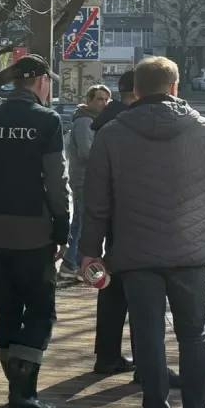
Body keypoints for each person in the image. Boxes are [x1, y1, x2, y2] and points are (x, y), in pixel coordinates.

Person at [79, 57, 205, 408]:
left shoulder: (112, 134)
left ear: (136, 91)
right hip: (191, 255)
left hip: (135, 254)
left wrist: (90, 252)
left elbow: (96, 202)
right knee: (194, 335)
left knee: (148, 334)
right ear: (175, 87)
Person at [0, 54, 71, 408]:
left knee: (6, 310)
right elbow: (57, 180)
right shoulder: (47, 121)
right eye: (49, 80)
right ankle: (23, 395)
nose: (50, 86)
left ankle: (17, 388)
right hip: (35, 235)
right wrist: (62, 226)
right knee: (41, 312)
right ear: (39, 80)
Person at [89, 71, 136, 375]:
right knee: (139, 293)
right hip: (134, 217)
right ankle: (142, 364)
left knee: (111, 288)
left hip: (110, 217)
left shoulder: (106, 121)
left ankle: (106, 354)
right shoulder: (131, 123)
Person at [65, 85, 112, 277]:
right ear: (90, 100)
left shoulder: (95, 120)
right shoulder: (85, 120)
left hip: (88, 179)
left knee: (83, 220)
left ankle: (74, 261)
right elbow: (86, 152)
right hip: (84, 179)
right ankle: (70, 262)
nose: (104, 103)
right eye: (100, 99)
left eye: (106, 99)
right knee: (82, 220)